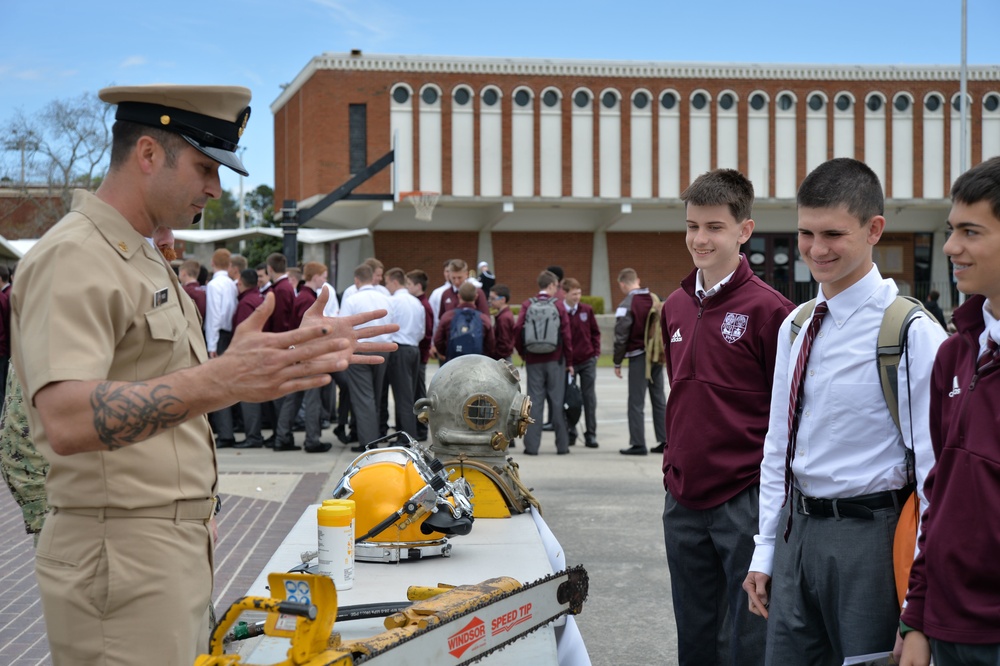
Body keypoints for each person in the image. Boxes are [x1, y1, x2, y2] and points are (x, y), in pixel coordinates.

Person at [8, 83, 397, 666]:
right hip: (122, 553)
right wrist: (226, 380)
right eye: (203, 167)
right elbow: (65, 418)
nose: (215, 188)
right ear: (146, 155)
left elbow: (159, 392)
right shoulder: (76, 256)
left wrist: (197, 505)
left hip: (163, 547)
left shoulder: (135, 255)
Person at [741, 158, 947, 665]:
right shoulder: (796, 324)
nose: (815, 249)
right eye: (805, 233)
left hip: (872, 542)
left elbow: (936, 478)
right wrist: (765, 552)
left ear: (874, 229)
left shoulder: (911, 332)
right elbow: (777, 447)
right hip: (796, 533)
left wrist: (919, 606)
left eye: (833, 233)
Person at [660, 169, 795, 666]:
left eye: (714, 227)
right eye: (692, 225)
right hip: (683, 496)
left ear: (744, 230)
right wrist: (672, 468)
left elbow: (787, 416)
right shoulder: (673, 305)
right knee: (693, 629)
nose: (699, 238)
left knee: (746, 635)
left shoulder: (772, 312)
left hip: (744, 496)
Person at [898, 157, 1000, 666]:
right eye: (949, 230)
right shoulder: (956, 355)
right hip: (948, 629)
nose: (950, 247)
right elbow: (937, 496)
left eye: (970, 231)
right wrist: (916, 617)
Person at [273, 262, 332, 453]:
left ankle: (282, 437)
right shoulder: (309, 299)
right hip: (309, 354)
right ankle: (312, 440)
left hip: (299, 352)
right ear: (315, 276)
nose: (325, 279)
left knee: (294, 397)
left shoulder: (302, 296)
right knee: (311, 398)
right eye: (323, 275)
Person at [514, 270, 574, 456]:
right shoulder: (558, 306)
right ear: (550, 286)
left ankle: (532, 447)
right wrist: (569, 361)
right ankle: (562, 447)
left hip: (533, 360)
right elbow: (566, 334)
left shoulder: (527, 304)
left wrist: (524, 354)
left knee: (535, 404)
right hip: (555, 360)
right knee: (557, 403)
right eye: (556, 286)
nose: (557, 290)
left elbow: (517, 330)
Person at [338, 263, 394, 451]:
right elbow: (393, 321)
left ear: (356, 280)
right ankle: (375, 434)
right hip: (383, 348)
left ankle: (368, 441)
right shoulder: (386, 297)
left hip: (360, 349)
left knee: (363, 397)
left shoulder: (352, 298)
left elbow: (343, 326)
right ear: (372, 278)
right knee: (377, 395)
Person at [614, 268, 666, 456]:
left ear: (622, 284)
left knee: (636, 402)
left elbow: (621, 336)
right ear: (638, 280)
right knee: (659, 399)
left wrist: (617, 362)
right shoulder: (655, 298)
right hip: (657, 356)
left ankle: (638, 443)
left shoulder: (627, 303)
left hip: (638, 357)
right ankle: (664, 440)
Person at [383, 267, 425, 437]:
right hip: (414, 348)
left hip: (399, 348)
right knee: (410, 394)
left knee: (402, 397)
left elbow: (388, 327)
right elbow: (422, 330)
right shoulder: (416, 302)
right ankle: (407, 431)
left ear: (394, 281)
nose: (386, 287)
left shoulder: (393, 301)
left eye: (387, 283)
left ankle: (406, 436)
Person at [204, 248, 239, 448]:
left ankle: (225, 433)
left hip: (219, 338)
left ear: (212, 263)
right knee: (229, 384)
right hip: (230, 334)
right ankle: (229, 429)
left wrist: (211, 343)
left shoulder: (214, 284)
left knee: (219, 385)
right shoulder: (231, 284)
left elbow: (214, 316)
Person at [562, 278, 601, 448]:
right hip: (567, 364)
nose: (577, 297)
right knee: (570, 400)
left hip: (587, 361)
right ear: (565, 294)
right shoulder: (560, 311)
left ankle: (591, 434)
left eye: (579, 293)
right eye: (574, 294)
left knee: (589, 399)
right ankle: (570, 431)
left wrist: (596, 353)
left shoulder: (587, 310)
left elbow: (595, 333)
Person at [406, 269, 434, 441]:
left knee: (419, 393)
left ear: (418, 286)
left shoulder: (423, 305)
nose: (406, 287)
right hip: (419, 356)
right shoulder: (417, 303)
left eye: (409, 284)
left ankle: (422, 429)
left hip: (420, 357)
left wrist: (423, 356)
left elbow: (426, 333)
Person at [435, 281, 495, 362]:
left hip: (453, 362)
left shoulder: (448, 316)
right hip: (476, 363)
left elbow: (438, 340)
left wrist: (446, 352)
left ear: (459, 296)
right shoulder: (483, 319)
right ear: (476, 296)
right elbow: (490, 343)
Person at [489, 284, 515, 363]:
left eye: (493, 298)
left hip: (502, 360)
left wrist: (494, 354)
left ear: (503, 299)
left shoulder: (503, 318)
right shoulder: (504, 315)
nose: (490, 301)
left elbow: (504, 342)